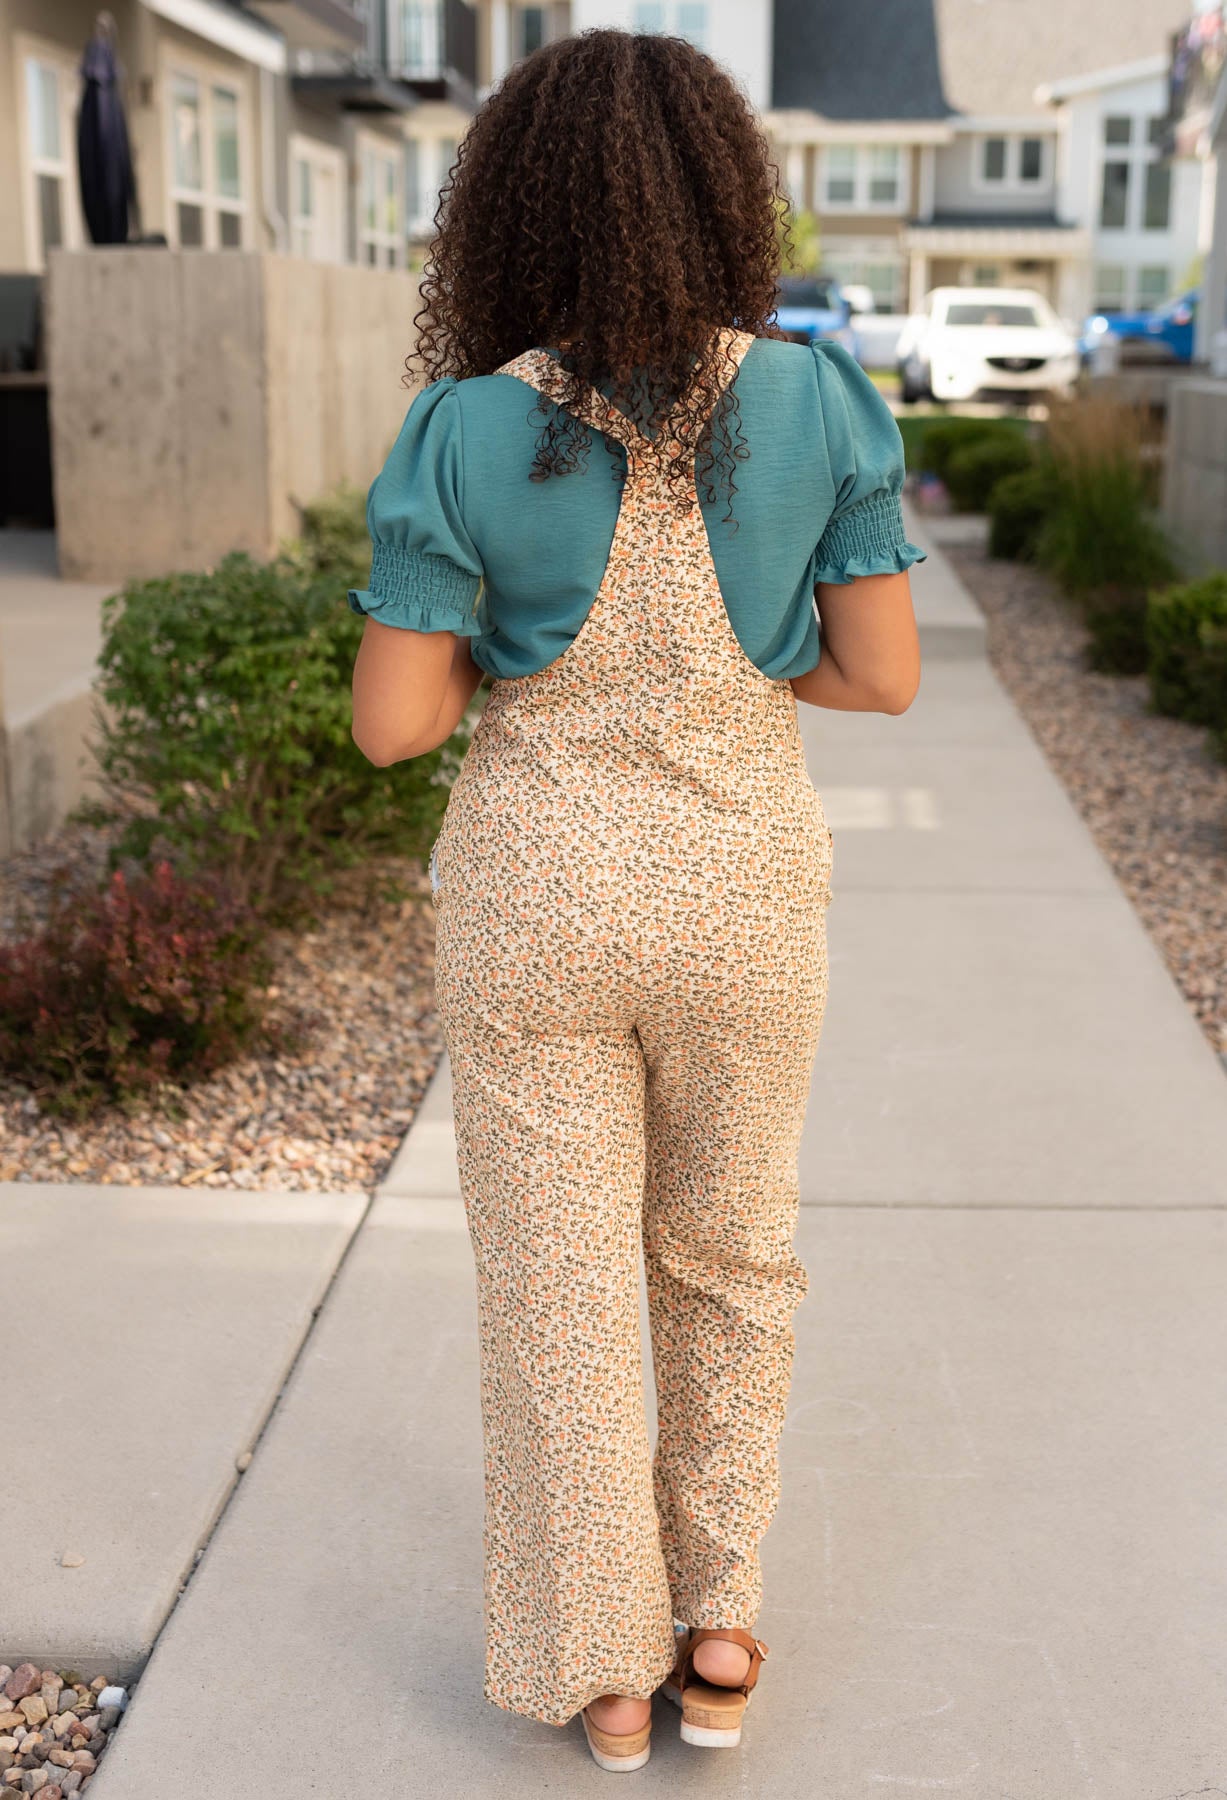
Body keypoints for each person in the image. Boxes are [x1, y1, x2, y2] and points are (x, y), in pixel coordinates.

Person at [348, 26, 923, 1774]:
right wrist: (742, 686)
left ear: (509, 215)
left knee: (559, 1278)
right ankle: (721, 1628)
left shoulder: (463, 426)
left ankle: (604, 1670)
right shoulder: (818, 402)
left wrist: (503, 673)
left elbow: (393, 730)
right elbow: (881, 679)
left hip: (537, 898)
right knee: (732, 1251)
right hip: (744, 893)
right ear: (724, 197)